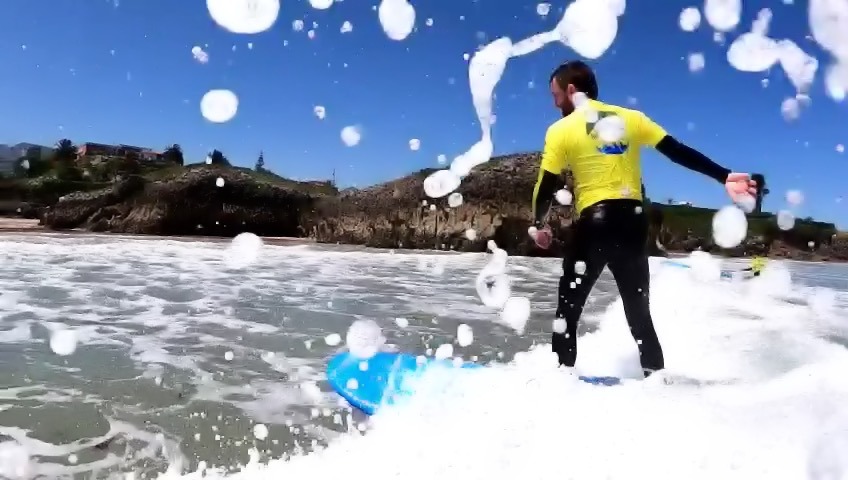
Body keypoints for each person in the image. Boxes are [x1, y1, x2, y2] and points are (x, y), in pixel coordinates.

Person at [530, 60, 757, 378]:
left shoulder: (560, 130)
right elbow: (677, 151)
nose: (554, 103)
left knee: (567, 313)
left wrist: (538, 224)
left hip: (594, 225)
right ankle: (656, 386)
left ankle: (557, 385)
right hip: (634, 224)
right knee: (639, 316)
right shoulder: (631, 118)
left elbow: (545, 188)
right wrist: (724, 176)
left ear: (571, 90)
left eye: (555, 95)